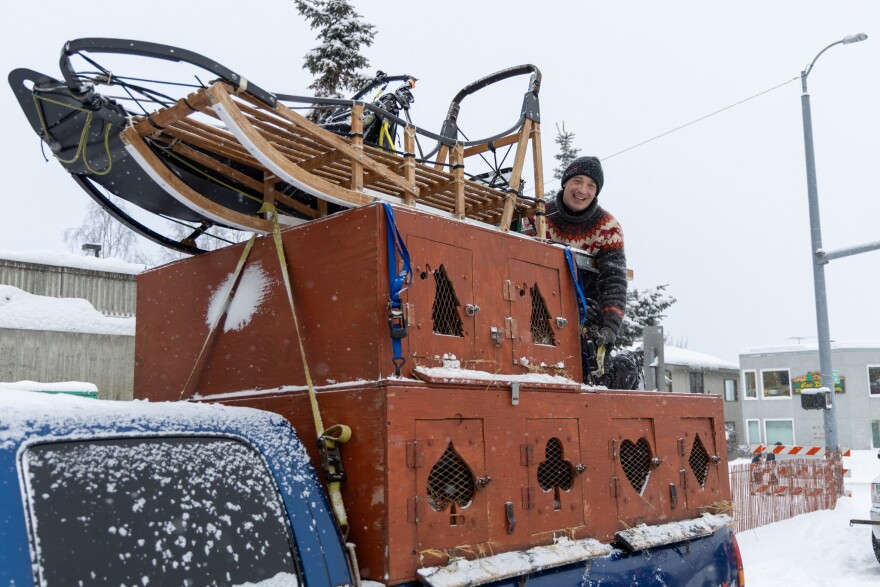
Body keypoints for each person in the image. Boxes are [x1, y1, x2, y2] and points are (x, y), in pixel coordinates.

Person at [522, 156, 639, 389]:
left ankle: (629, 367)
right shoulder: (537, 215)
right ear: (565, 182)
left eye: (591, 185)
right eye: (577, 181)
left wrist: (610, 326)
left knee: (595, 379)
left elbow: (614, 281)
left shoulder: (607, 227)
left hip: (585, 312)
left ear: (596, 192)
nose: (582, 190)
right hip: (537, 305)